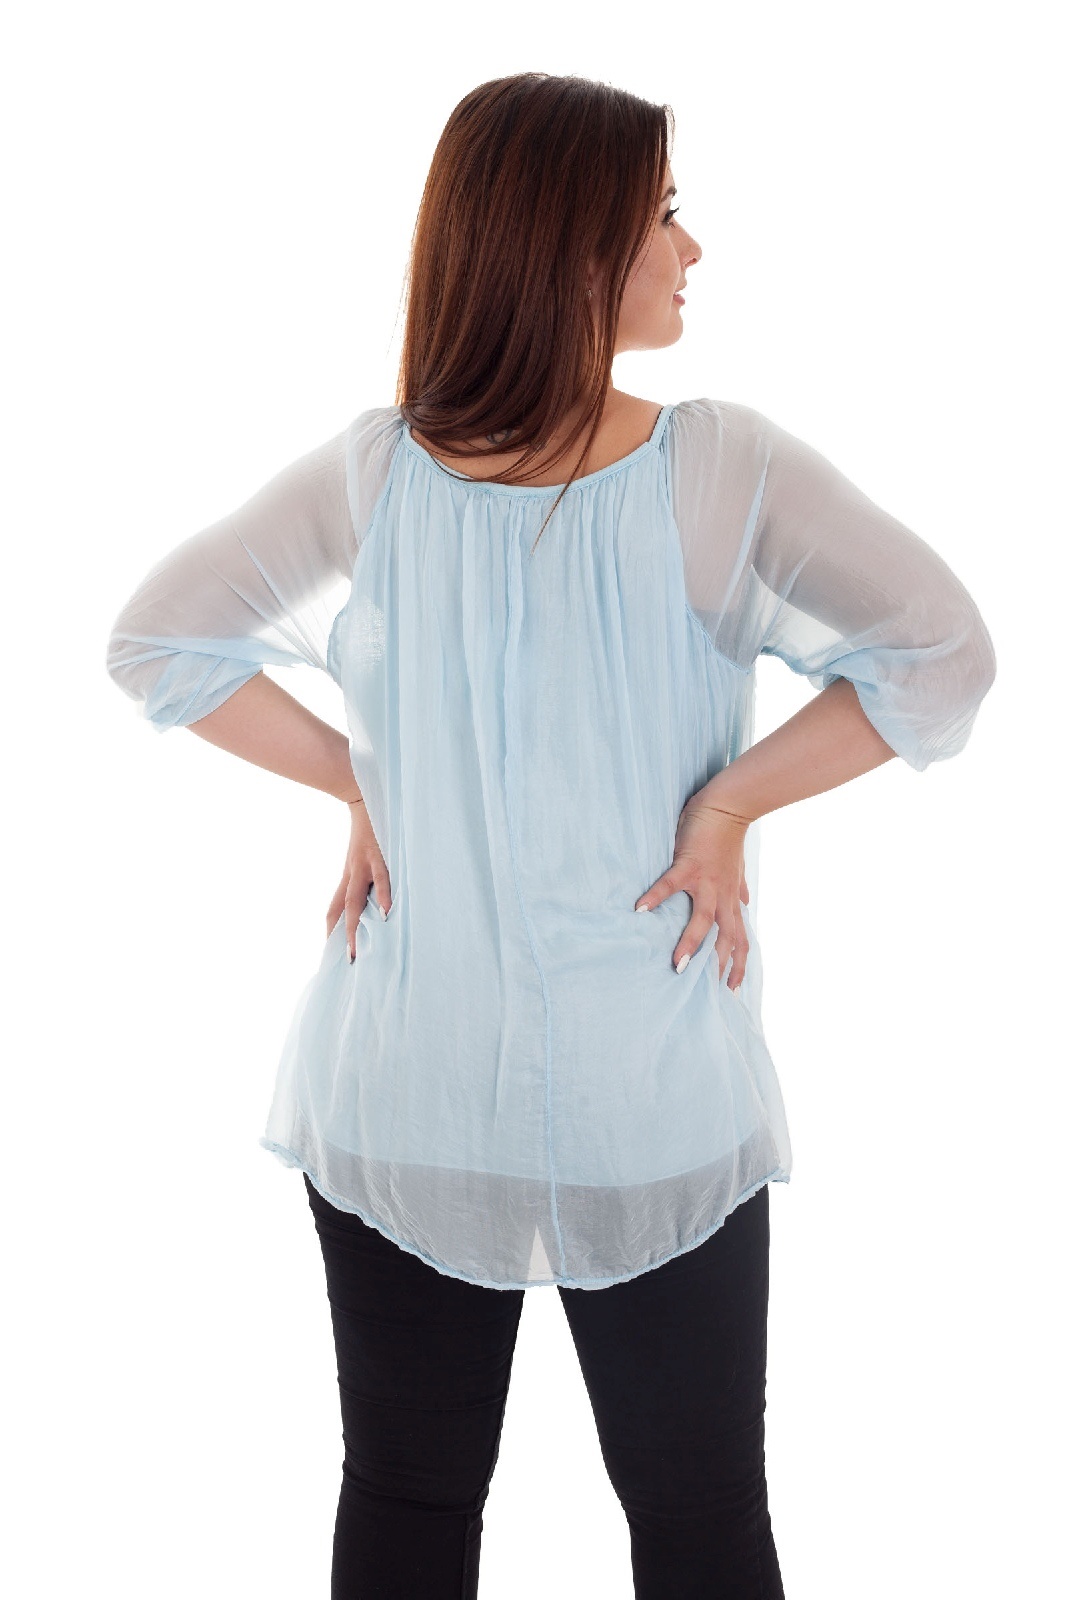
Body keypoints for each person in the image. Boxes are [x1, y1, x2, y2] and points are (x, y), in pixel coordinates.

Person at [104, 71, 996, 1600]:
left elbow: (157, 643)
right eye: (664, 216)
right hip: (620, 1097)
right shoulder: (708, 466)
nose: (693, 249)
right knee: (690, 1517)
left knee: (416, 1500)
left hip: (433, 1087)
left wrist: (711, 799)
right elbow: (945, 657)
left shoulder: (382, 472)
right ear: (575, 251)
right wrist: (376, 783)